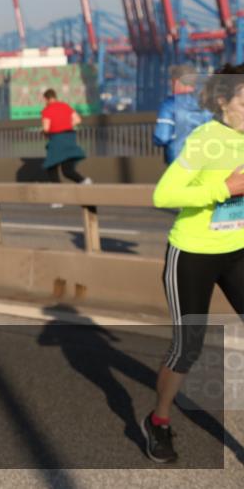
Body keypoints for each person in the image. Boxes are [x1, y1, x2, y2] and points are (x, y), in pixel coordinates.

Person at [145, 64, 244, 464]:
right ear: (223, 102)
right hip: (193, 253)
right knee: (189, 348)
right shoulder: (207, 140)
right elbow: (163, 194)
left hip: (238, 250)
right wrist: (224, 187)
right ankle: (159, 420)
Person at [41, 89, 91, 207]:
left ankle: (58, 200)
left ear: (46, 99)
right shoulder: (65, 106)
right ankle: (84, 181)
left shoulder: (47, 110)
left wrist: (44, 132)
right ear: (55, 96)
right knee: (67, 170)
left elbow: (46, 128)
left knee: (52, 168)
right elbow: (78, 120)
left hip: (57, 140)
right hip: (70, 138)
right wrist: (67, 126)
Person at [154, 64, 212, 165]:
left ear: (176, 81)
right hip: (204, 162)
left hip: (178, 163)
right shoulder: (208, 105)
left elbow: (162, 137)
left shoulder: (170, 105)